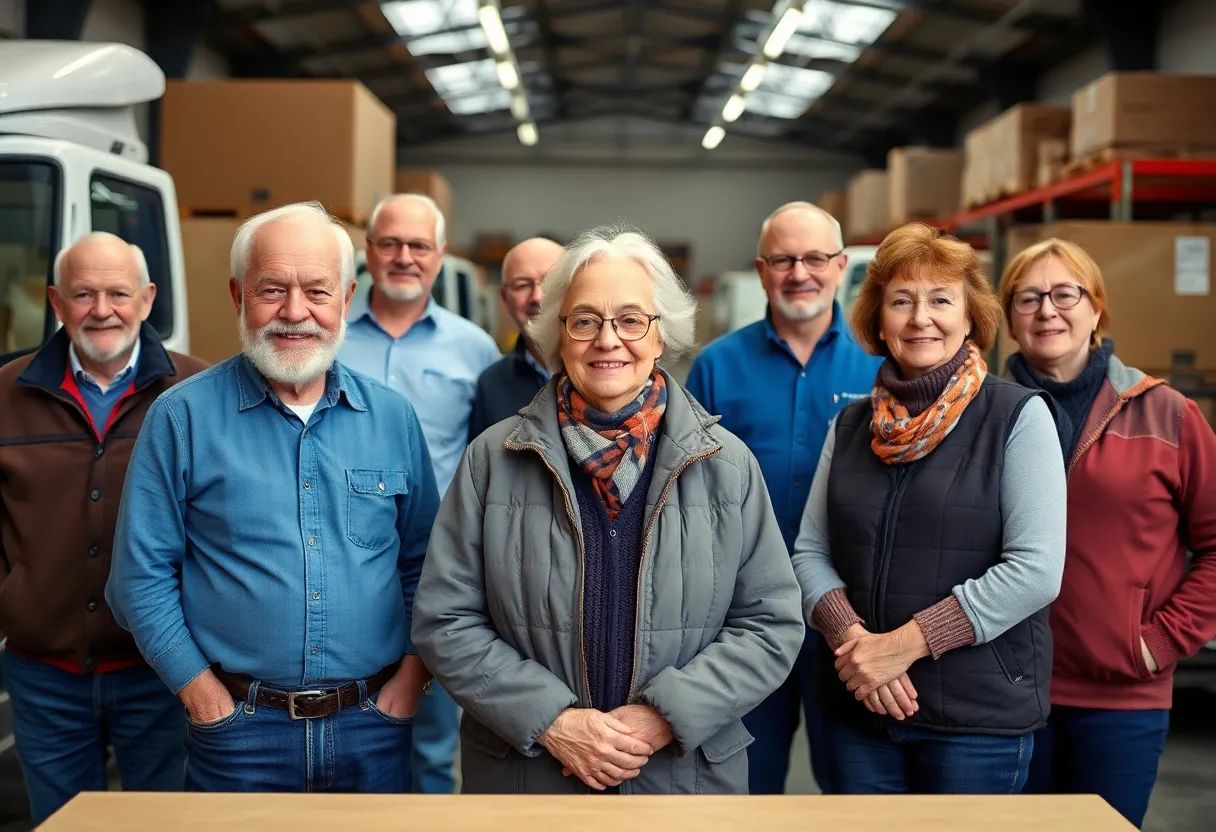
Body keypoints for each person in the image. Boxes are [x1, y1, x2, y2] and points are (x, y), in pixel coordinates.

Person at [412, 224, 804, 794]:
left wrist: (661, 718)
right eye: (585, 320)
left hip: (683, 785)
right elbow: (445, 619)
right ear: (559, 333)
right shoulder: (492, 460)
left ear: (660, 334)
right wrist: (553, 721)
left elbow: (770, 625)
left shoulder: (728, 465)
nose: (607, 339)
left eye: (630, 319)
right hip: (528, 782)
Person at [106, 201, 439, 793]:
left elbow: (427, 565)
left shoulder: (393, 418)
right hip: (238, 733)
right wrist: (199, 692)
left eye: (317, 291)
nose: (294, 312)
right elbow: (139, 577)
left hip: (373, 727)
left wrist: (411, 678)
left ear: (346, 298)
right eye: (272, 290)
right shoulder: (181, 417)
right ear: (238, 296)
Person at [791, 222, 1066, 794]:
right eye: (901, 301)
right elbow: (810, 552)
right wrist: (857, 647)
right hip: (858, 710)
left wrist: (900, 648)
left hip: (975, 721)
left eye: (941, 300)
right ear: (878, 321)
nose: (921, 318)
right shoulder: (849, 425)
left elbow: (1036, 570)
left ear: (970, 317)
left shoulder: (1017, 416)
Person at [999, 238, 1216, 827]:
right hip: (1004, 694)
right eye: (1028, 298)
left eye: (1065, 294)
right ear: (1010, 319)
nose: (1047, 310)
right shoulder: (982, 416)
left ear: (1096, 308)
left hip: (1120, 698)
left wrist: (1160, 641)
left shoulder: (1167, 414)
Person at [0, 233, 205, 824]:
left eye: (118, 293)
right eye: (83, 293)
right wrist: (12, 600)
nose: (102, 309)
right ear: (56, 302)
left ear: (147, 299)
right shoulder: (7, 394)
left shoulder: (197, 393)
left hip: (163, 673)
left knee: (163, 823)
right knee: (61, 822)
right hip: (44, 674)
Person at [685, 201, 881, 793]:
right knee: (744, 785)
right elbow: (688, 494)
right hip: (742, 619)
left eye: (815, 258)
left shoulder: (880, 364)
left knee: (855, 789)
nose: (800, 273)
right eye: (783, 260)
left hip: (853, 621)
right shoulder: (717, 366)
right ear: (761, 269)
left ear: (841, 266)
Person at [339, 192, 499, 793]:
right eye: (390, 243)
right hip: (339, 562)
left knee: (432, 745)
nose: (404, 257)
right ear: (368, 251)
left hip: (437, 570)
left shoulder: (474, 349)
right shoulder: (329, 338)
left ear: (439, 255)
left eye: (418, 245)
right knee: (343, 740)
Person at [468, 236, 564, 440]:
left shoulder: (602, 367)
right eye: (522, 285)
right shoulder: (491, 384)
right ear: (505, 298)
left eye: (550, 282)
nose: (537, 296)